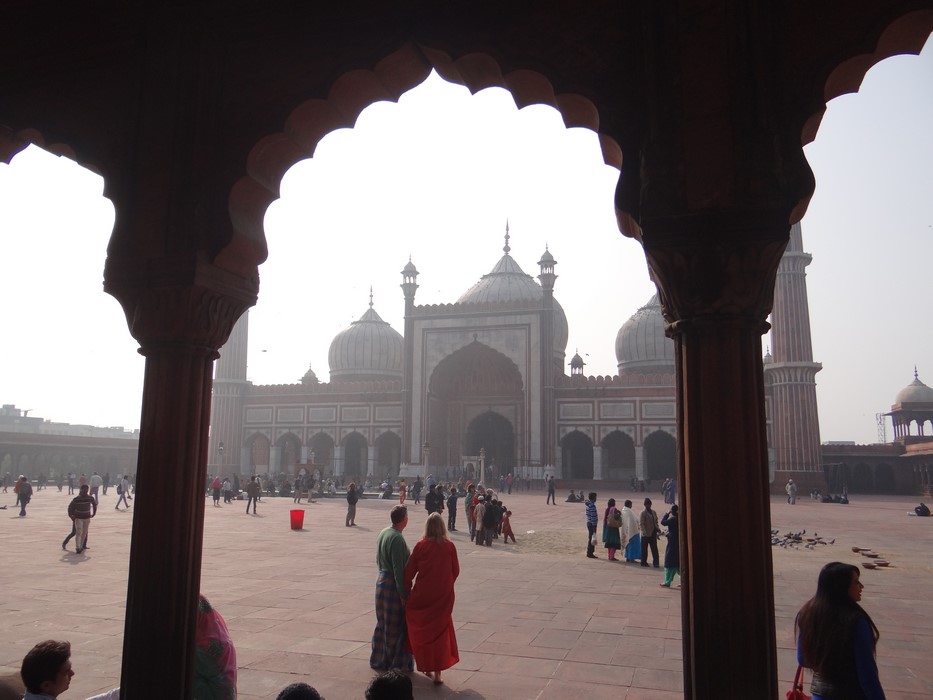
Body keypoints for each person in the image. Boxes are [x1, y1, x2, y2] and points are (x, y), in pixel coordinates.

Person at [795, 562, 885, 699]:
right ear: (842, 587)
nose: (861, 587)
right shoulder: (856, 621)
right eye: (856, 583)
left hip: (820, 694)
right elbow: (867, 675)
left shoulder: (807, 614)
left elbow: (803, 660)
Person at [404, 512, 460, 685]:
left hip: (422, 596)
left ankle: (425, 666)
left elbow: (408, 573)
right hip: (442, 597)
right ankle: (437, 673)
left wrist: (407, 592)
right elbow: (455, 571)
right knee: (440, 633)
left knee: (421, 632)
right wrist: (445, 584)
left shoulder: (421, 545)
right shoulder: (449, 546)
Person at [370, 505, 414, 672]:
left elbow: (378, 558)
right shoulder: (397, 538)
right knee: (396, 626)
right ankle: (395, 662)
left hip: (381, 581)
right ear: (404, 519)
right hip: (392, 586)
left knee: (383, 623)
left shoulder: (384, 532)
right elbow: (398, 569)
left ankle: (379, 658)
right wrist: (403, 593)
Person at [67, 485, 97, 554]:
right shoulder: (76, 499)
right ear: (81, 490)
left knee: (84, 533)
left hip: (87, 518)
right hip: (78, 518)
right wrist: (71, 515)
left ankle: (80, 546)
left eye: (87, 490)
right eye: (84, 490)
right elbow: (70, 507)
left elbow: (94, 505)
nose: (85, 491)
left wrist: (94, 513)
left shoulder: (90, 498)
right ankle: (77, 547)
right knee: (79, 532)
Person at [659, 504, 680, 587]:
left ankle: (667, 581)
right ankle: (683, 580)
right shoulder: (680, 519)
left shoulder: (672, 519)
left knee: (669, 561)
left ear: (672, 512)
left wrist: (667, 514)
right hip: (679, 541)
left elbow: (663, 522)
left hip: (672, 541)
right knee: (678, 561)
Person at [639, 497, 660, 568]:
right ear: (645, 505)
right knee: (644, 549)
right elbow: (641, 524)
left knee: (654, 549)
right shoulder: (643, 513)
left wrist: (657, 528)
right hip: (645, 534)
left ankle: (656, 563)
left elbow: (656, 521)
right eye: (647, 504)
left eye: (649, 504)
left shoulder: (653, 512)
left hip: (653, 533)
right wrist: (644, 532)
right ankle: (643, 562)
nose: (648, 506)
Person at [584, 492, 599, 558]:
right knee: (592, 538)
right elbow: (593, 517)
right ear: (593, 498)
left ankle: (590, 552)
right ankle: (590, 553)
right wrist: (594, 527)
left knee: (591, 537)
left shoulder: (588, 504)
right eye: (595, 497)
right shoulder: (592, 505)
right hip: (592, 524)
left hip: (589, 522)